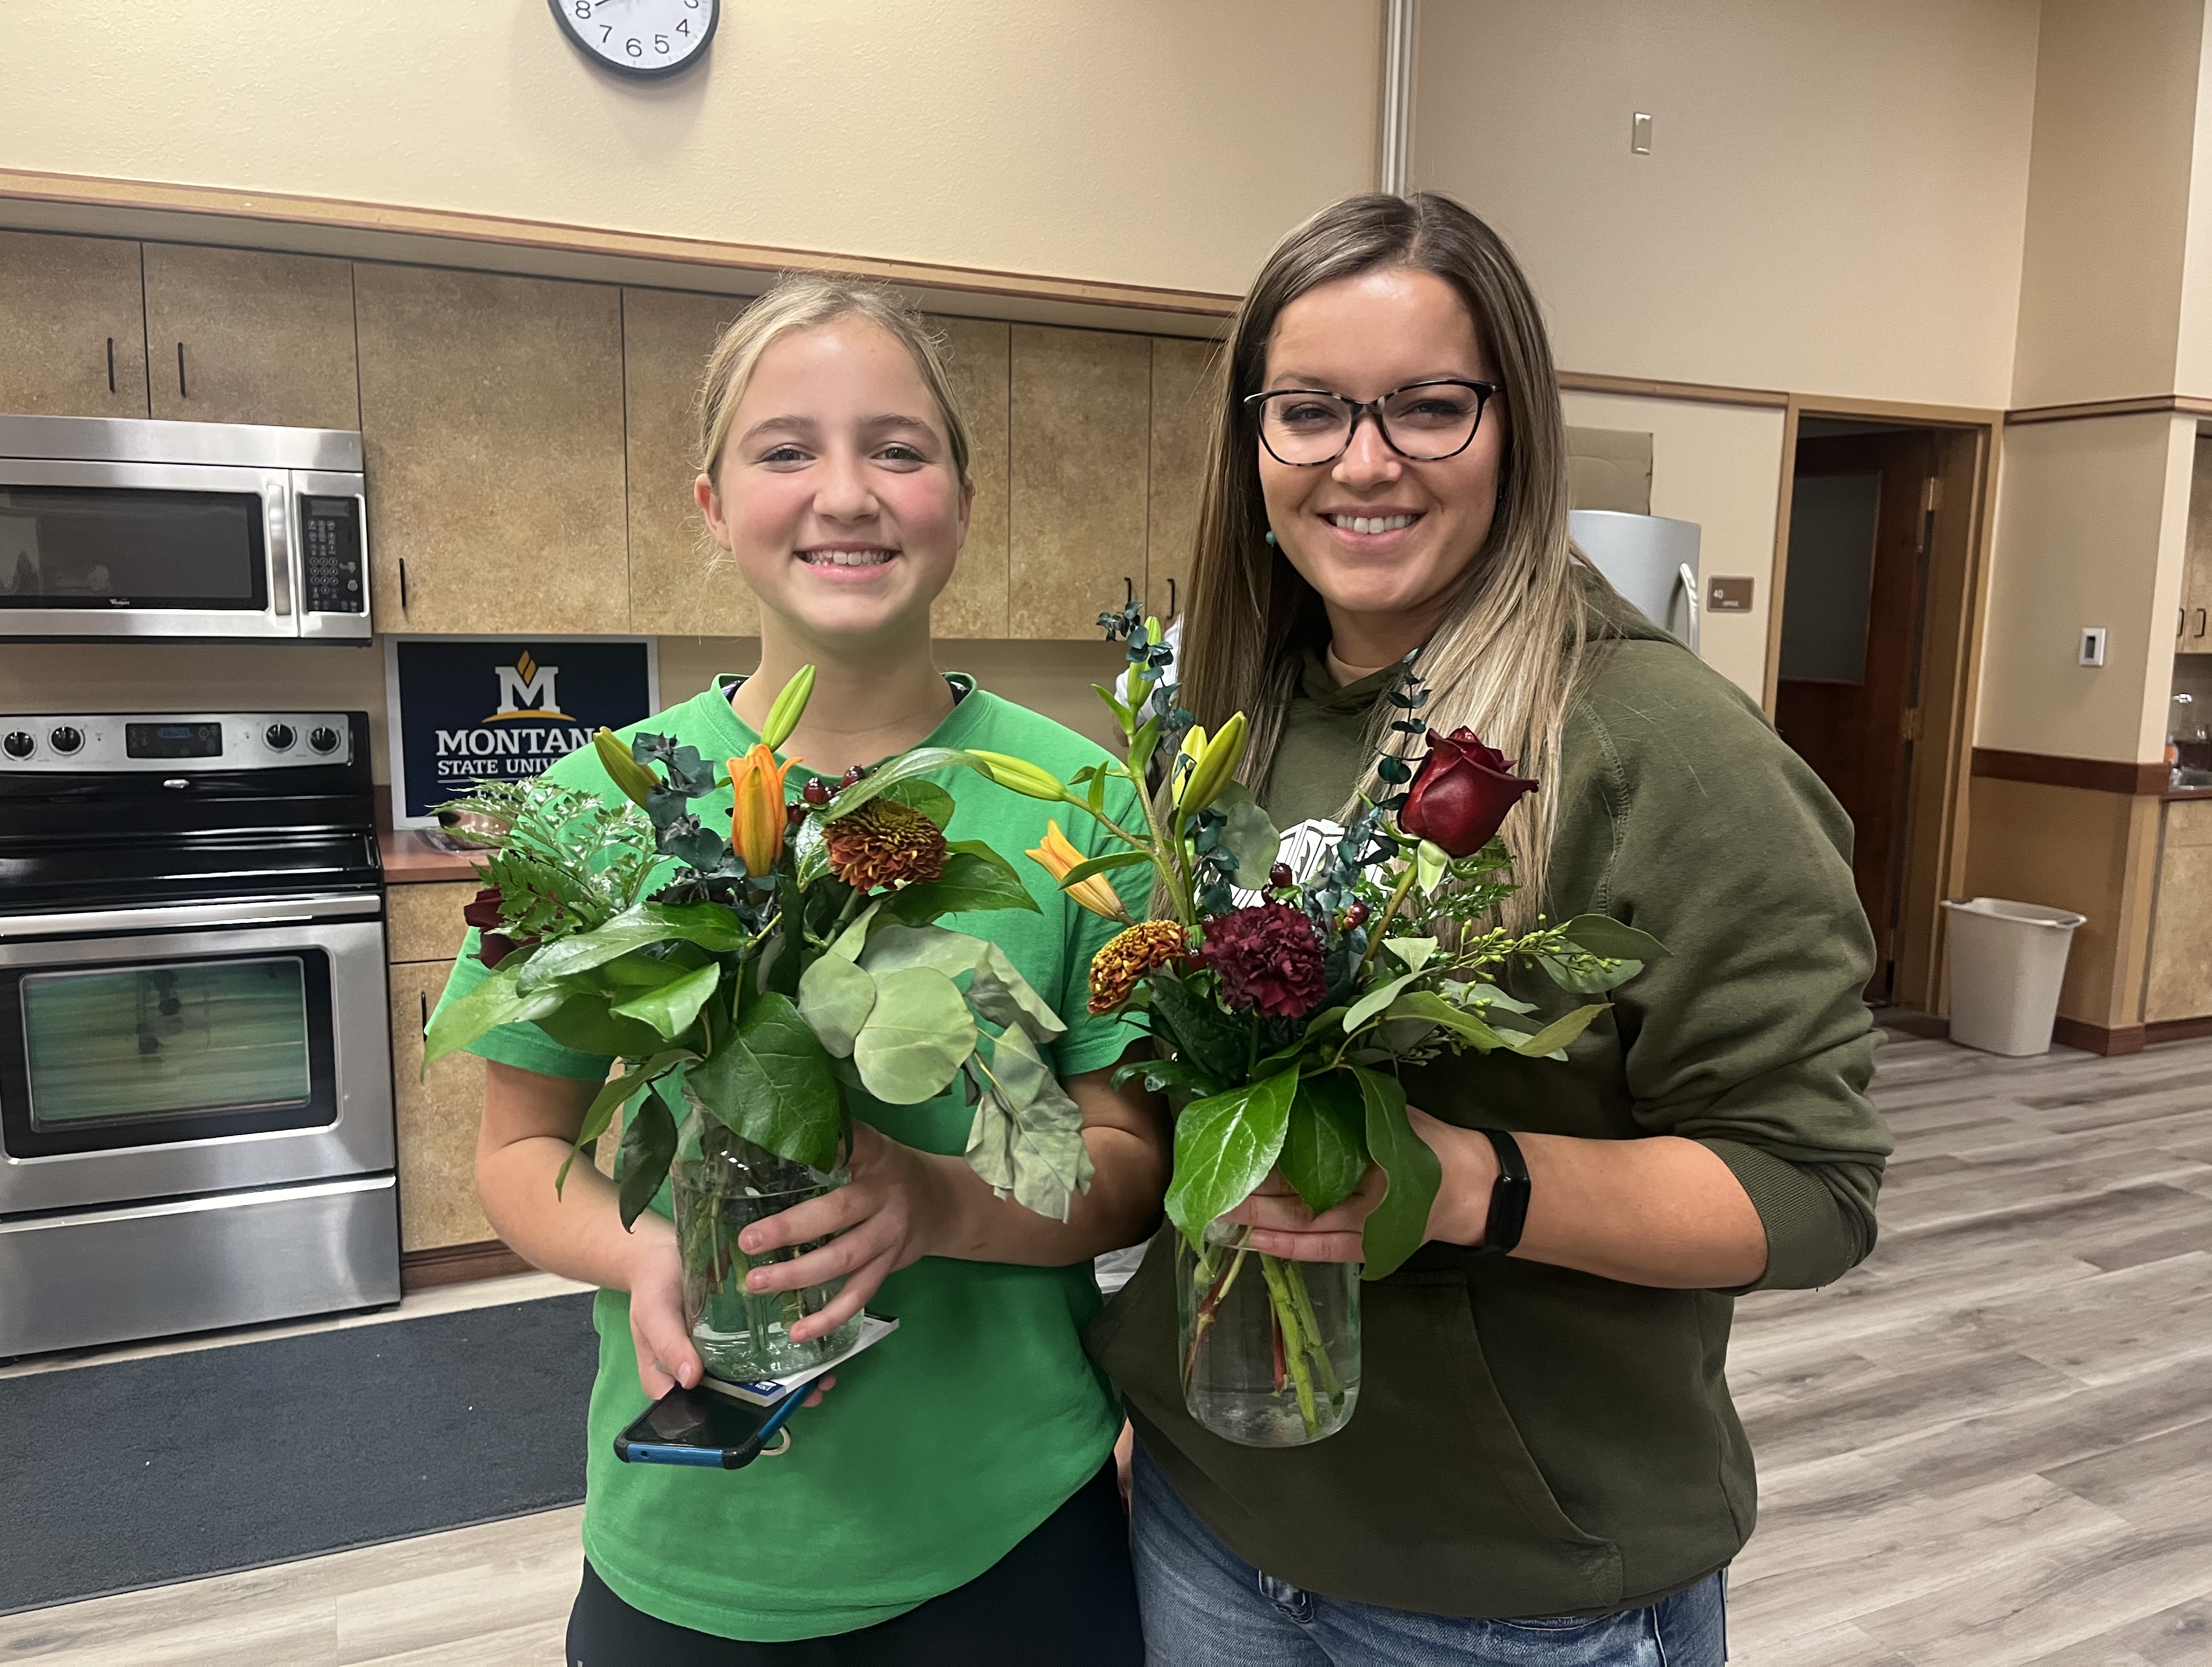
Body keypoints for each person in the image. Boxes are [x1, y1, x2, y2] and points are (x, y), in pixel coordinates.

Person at [1089, 193, 1895, 1666]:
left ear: (1514, 425)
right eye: (1312, 411)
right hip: (1209, 1525)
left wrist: (1464, 1181)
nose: (1365, 460)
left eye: (1429, 409)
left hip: (1510, 1593)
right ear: (1253, 441)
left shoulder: (1664, 753)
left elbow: (1810, 1190)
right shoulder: (1224, 719)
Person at [437, 275, 1165, 1664]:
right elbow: (518, 1155)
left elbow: (1127, 1161)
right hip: (693, 1548)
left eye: (899, 448)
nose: (847, 494)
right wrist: (645, 1250)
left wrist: (936, 1203)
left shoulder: (1084, 804)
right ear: (712, 504)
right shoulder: (599, 804)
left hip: (1013, 1531)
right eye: (788, 451)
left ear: (961, 492)